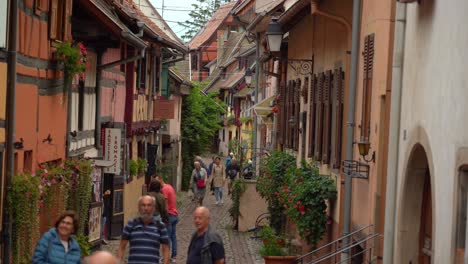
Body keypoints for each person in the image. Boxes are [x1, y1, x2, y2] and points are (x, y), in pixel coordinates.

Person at [117, 195, 170, 264]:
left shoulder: (160, 226)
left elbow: (166, 249)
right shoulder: (131, 224)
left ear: (153, 208)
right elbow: (121, 247)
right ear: (139, 208)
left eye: (149, 205)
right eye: (143, 205)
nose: (146, 208)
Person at [154, 174, 179, 263]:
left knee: (166, 238)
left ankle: (166, 257)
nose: (156, 183)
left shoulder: (164, 189)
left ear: (161, 179)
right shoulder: (169, 186)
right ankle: (174, 256)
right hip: (175, 214)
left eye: (157, 181)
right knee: (173, 236)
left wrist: (164, 217)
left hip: (170, 215)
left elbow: (165, 205)